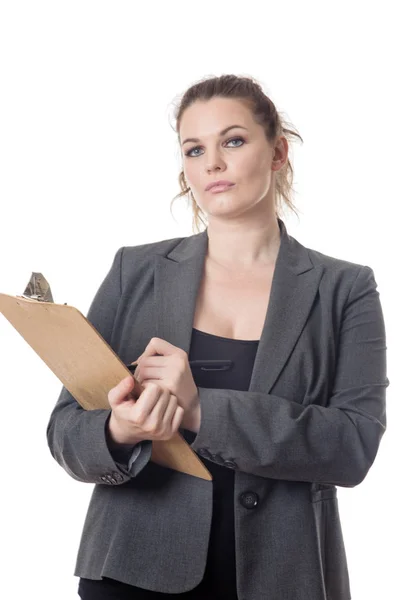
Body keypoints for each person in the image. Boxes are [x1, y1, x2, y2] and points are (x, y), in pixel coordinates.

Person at [46, 74, 389, 600]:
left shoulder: (345, 288)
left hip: (283, 575)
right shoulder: (134, 271)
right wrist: (119, 429)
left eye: (233, 140)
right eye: (193, 149)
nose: (213, 163)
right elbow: (65, 430)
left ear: (277, 153)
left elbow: (354, 446)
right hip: (131, 570)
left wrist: (199, 410)